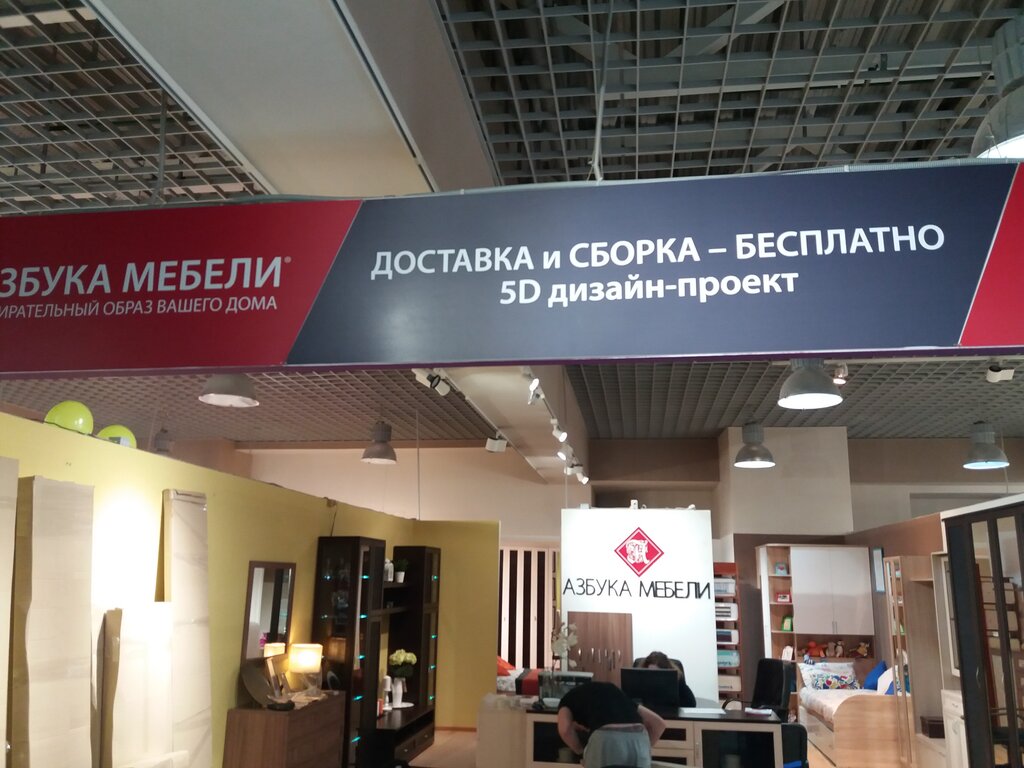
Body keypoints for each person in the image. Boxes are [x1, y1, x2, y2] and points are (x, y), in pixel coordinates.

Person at [557, 681, 666, 768]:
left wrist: (581, 751)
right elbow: (659, 724)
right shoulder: (617, 695)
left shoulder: (567, 700)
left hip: (606, 739)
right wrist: (644, 748)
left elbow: (565, 729)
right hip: (639, 737)